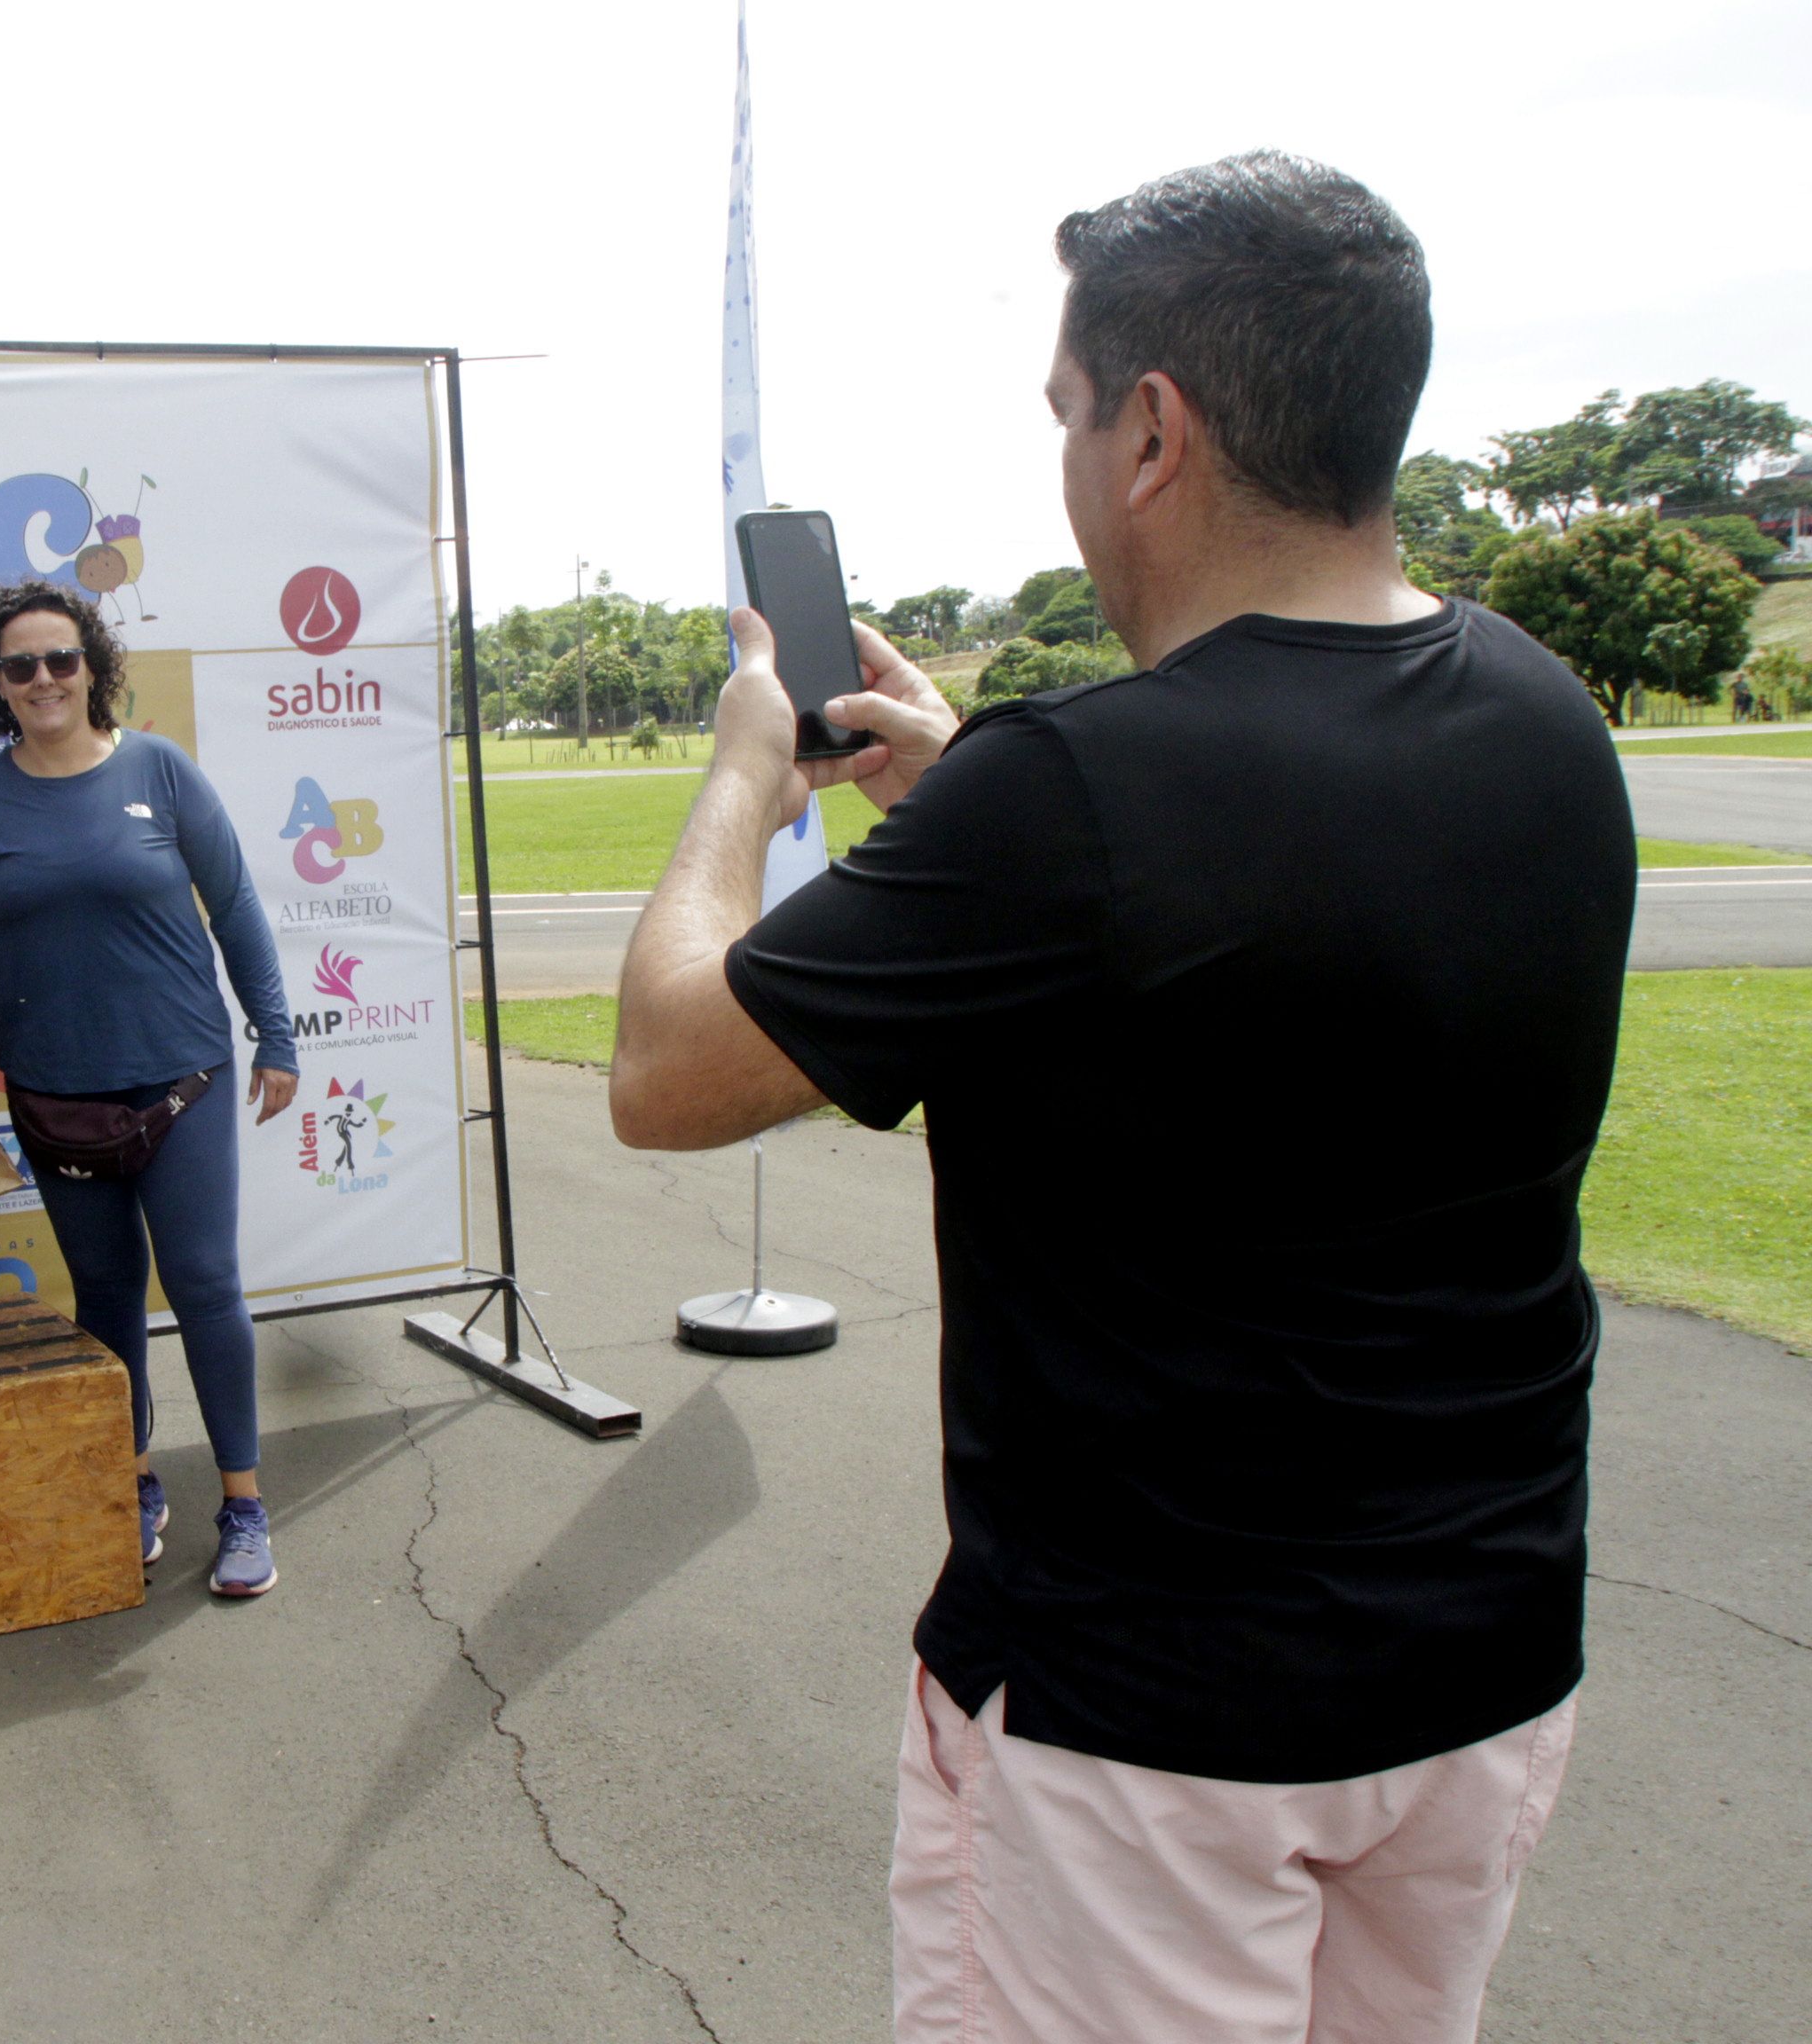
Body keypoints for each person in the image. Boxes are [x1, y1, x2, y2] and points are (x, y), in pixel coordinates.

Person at [611, 153, 1634, 2043]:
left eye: (1074, 411)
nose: (1072, 458)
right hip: (1482, 1668)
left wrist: (751, 775)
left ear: (1153, 430)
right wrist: (963, 824)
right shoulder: (1541, 712)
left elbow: (668, 1074)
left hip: (1149, 1728)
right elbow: (1253, 994)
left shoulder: (1072, 794)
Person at [0, 584, 300, 1596]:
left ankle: (244, 1503)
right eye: (19, 666)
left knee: (207, 1285)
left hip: (184, 1078)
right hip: (52, 1093)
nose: (43, 680)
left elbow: (237, 906)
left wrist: (279, 1034)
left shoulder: (159, 771)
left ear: (93, 666)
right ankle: (131, 1485)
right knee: (106, 1296)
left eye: (60, 660)